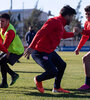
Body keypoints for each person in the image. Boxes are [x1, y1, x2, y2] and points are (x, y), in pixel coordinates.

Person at [24, 5, 77, 93]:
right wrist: (31, 47)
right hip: (39, 52)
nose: (72, 19)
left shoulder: (60, 23)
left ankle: (56, 88)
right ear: (67, 15)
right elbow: (40, 33)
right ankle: (38, 79)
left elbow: (63, 35)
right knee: (52, 72)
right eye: (72, 17)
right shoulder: (54, 21)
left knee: (62, 65)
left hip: (49, 51)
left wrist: (73, 34)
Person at [0, 13, 24, 88]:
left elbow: (5, 46)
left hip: (17, 51)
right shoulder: (1, 28)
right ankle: (10, 78)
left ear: (8, 21)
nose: (0, 23)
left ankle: (9, 79)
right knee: (1, 61)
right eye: (0, 21)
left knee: (1, 61)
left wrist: (5, 52)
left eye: (2, 21)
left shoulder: (10, 31)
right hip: (9, 50)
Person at [75, 5, 90, 90]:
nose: (87, 16)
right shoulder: (86, 23)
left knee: (86, 59)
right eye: (86, 14)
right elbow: (85, 36)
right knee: (86, 59)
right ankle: (88, 84)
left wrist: (81, 31)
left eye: (89, 14)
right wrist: (78, 47)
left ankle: (88, 84)